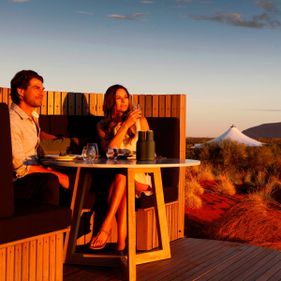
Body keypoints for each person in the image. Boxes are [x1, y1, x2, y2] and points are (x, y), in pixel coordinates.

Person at [89, 84, 152, 252]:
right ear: (111, 102)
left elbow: (149, 152)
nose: (124, 101)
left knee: (122, 175)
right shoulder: (102, 125)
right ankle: (121, 248)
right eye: (119, 98)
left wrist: (132, 122)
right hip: (117, 177)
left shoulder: (141, 121)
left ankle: (106, 227)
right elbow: (109, 151)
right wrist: (125, 126)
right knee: (122, 178)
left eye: (126, 97)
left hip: (139, 177)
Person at [9, 70, 69, 206]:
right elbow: (19, 165)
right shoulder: (12, 121)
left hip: (32, 172)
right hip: (16, 182)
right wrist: (55, 175)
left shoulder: (33, 117)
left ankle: (76, 222)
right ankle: (51, 225)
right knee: (51, 180)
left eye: (43, 89)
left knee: (78, 178)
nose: (42, 93)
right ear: (21, 91)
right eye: (36, 88)